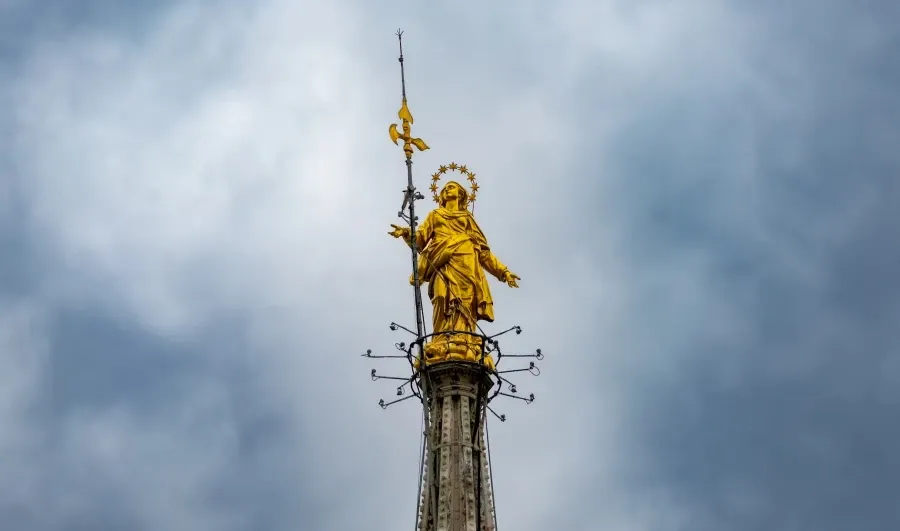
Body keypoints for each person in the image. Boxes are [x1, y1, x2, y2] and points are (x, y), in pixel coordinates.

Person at [389, 181, 520, 366]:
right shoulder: (435, 215)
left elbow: (484, 253)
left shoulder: (467, 218)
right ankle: (441, 339)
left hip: (467, 265)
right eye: (445, 188)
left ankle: (465, 340)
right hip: (441, 262)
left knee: (465, 303)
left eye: (452, 186)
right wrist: (405, 232)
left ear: (461, 194)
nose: (447, 188)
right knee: (441, 297)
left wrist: (504, 272)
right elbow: (419, 240)